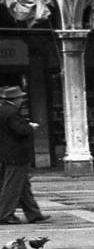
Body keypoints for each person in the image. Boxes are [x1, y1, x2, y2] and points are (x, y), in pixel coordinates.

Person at [0, 86, 47, 226]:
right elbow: (20, 130)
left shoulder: (2, 110)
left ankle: (34, 214)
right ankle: (5, 215)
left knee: (23, 187)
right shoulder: (12, 112)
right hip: (17, 155)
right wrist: (30, 127)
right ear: (16, 99)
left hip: (7, 153)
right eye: (21, 98)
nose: (22, 100)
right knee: (12, 186)